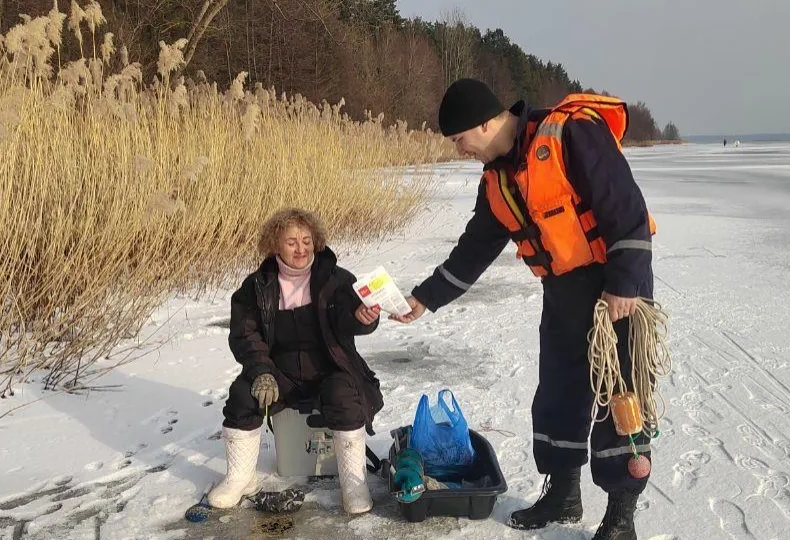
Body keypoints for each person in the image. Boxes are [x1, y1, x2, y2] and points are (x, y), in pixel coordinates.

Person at [391, 79, 655, 539]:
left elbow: (625, 206)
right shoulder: (497, 179)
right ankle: (563, 494)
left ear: (487, 122)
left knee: (621, 398)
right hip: (563, 293)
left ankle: (621, 514)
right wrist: (425, 298)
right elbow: (474, 249)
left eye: (459, 139)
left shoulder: (571, 134)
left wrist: (625, 282)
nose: (460, 149)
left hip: (615, 288)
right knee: (558, 393)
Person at [208, 207, 384, 515]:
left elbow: (351, 320)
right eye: (291, 241)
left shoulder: (337, 280)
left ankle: (353, 484)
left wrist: (362, 318)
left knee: (345, 395)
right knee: (241, 395)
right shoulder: (256, 286)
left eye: (306, 240)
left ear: (316, 241)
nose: (300, 248)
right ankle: (240, 477)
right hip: (278, 372)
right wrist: (262, 371)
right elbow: (245, 335)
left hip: (330, 367)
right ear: (275, 244)